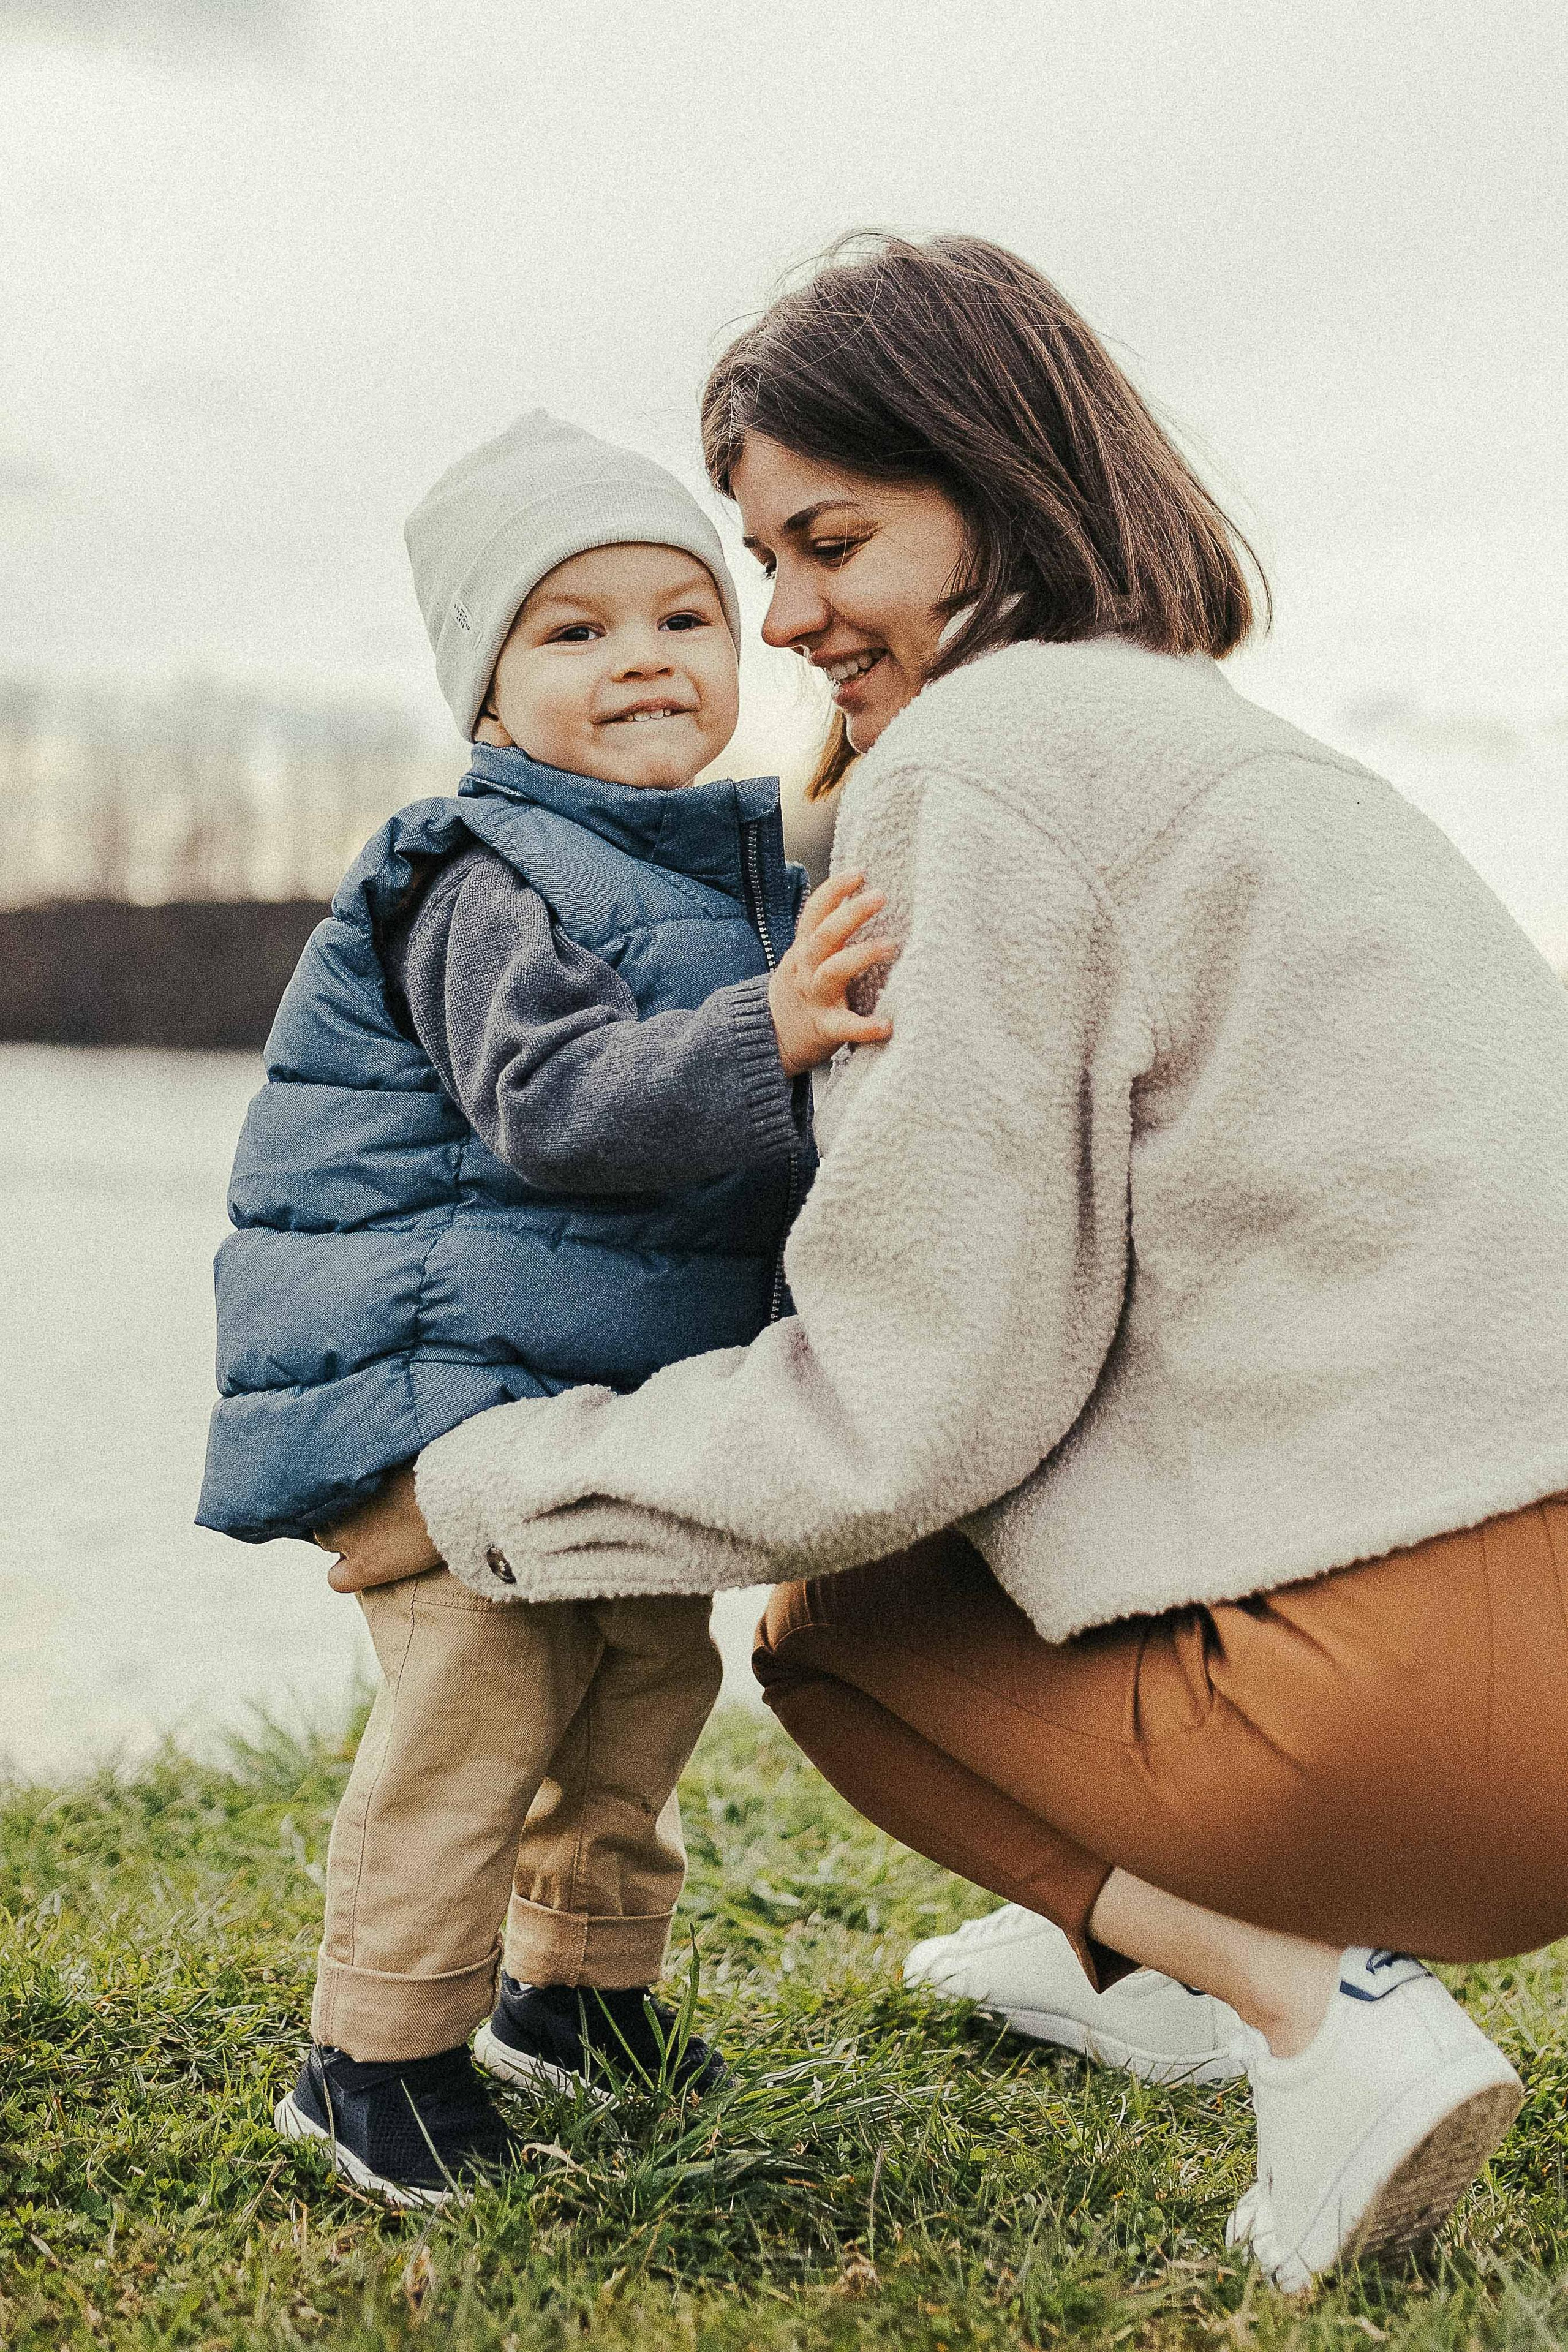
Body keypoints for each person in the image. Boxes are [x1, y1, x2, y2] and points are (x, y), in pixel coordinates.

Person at [319, 238, 1568, 2289]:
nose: (786, 617)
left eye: (833, 541)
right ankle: (1121, 1956)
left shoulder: (971, 778)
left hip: (1426, 1729)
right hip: (1525, 1653)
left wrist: (482, 1488)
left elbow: (908, 1408)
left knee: (842, 1617)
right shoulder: (1251, 759)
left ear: (998, 482)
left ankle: (1295, 2001)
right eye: (761, 556)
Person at [196, 409, 892, 2206]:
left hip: (602, 1401)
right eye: (574, 632)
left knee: (644, 1678)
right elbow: (561, 1109)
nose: (644, 659)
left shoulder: (733, 865)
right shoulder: (476, 873)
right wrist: (779, 1029)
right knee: (484, 1710)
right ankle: (376, 2052)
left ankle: (575, 1998)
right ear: (490, 700)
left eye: (681, 616)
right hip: (442, 1391)